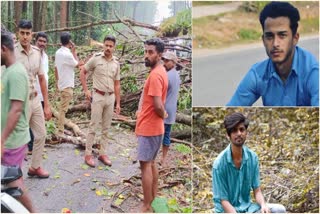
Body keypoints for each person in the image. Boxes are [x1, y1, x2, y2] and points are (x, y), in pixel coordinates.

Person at [227, 1, 319, 106]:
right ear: (263, 40)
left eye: (282, 35)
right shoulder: (258, 74)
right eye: (269, 36)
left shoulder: (313, 72)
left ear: (295, 38)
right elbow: (232, 109)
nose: (275, 44)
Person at [212, 112, 286, 213]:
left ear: (246, 132)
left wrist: (263, 205)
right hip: (227, 211)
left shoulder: (252, 158)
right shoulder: (219, 164)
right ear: (228, 135)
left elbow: (257, 190)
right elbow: (223, 200)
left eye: (242, 129)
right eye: (234, 130)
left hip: (247, 209)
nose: (239, 133)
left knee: (279, 209)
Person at [1, 31, 35, 212]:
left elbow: (16, 109)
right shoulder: (8, 71)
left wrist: (2, 140)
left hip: (12, 141)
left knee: (14, 182)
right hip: (8, 139)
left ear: (3, 48)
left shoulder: (16, 73)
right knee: (10, 182)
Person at [15, 19, 52, 178]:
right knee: (18, 140)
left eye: (27, 33)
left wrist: (47, 105)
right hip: (18, 102)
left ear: (32, 34)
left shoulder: (37, 53)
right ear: (18, 33)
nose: (25, 37)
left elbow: (42, 79)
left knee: (41, 134)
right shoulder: (10, 52)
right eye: (22, 33)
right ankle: (13, 174)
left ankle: (35, 166)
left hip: (35, 100)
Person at [135, 38, 168, 212]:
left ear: (160, 54)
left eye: (150, 52)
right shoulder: (161, 71)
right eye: (146, 51)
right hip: (155, 128)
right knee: (151, 163)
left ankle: (146, 204)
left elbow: (157, 105)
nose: (146, 56)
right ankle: (153, 197)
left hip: (149, 128)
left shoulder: (155, 75)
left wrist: (164, 114)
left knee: (145, 165)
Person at [80, 35, 121, 167]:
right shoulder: (96, 59)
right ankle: (88, 154)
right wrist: (86, 90)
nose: (108, 48)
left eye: (111, 46)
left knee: (106, 128)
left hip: (111, 97)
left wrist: (118, 103)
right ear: (103, 45)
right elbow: (83, 71)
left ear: (114, 48)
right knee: (93, 126)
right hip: (97, 96)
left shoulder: (116, 63)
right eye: (106, 45)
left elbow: (117, 84)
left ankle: (103, 153)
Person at [27, 32, 49, 155]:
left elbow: (44, 76)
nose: (42, 43)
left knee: (37, 121)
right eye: (40, 41)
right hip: (31, 93)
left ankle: (35, 145)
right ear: (35, 41)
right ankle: (29, 146)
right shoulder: (32, 55)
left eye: (44, 42)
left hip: (42, 93)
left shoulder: (45, 57)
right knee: (28, 121)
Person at [55, 32, 81, 135]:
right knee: (63, 110)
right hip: (67, 85)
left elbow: (56, 68)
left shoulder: (58, 53)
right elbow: (78, 64)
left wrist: (57, 82)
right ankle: (60, 130)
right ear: (69, 41)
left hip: (61, 84)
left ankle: (60, 128)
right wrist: (74, 51)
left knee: (62, 108)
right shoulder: (68, 54)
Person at [160, 51, 181, 166]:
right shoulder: (177, 75)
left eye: (167, 61)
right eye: (164, 60)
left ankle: (158, 158)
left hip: (164, 108)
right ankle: (164, 158)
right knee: (167, 134)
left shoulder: (167, 75)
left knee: (159, 133)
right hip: (172, 108)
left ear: (173, 63)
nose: (165, 63)